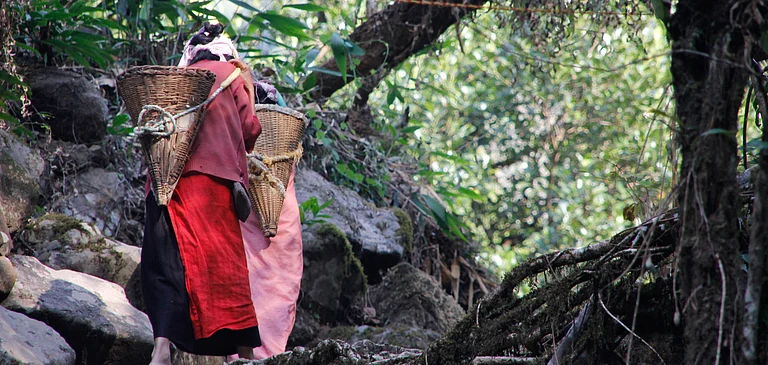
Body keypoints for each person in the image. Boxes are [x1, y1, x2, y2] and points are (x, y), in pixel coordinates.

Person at [140, 22, 261, 365]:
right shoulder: (230, 74)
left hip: (164, 183)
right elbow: (250, 128)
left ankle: (161, 350)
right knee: (224, 268)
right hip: (211, 184)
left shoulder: (173, 80)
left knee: (166, 264)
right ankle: (245, 355)